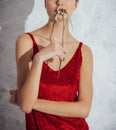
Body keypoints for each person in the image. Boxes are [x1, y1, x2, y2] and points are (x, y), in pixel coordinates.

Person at [9, 0, 93, 129]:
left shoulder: (84, 52)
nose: (60, 2)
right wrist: (39, 58)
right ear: (45, 3)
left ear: (76, 4)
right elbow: (26, 107)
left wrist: (32, 102)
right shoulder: (26, 42)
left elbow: (83, 110)